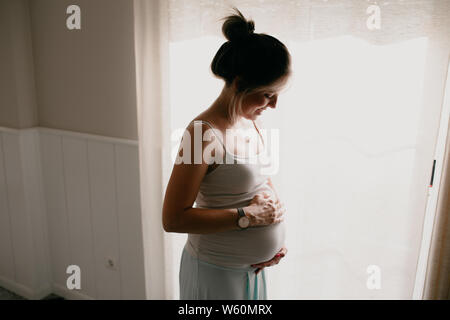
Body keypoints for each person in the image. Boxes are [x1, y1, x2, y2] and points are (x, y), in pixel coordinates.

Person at [162, 7, 292, 300]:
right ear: (238, 84)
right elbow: (173, 219)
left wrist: (275, 243)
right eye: (268, 94)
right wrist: (249, 218)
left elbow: (260, 186)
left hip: (253, 271)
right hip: (214, 274)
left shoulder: (251, 124)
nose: (273, 105)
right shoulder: (201, 134)